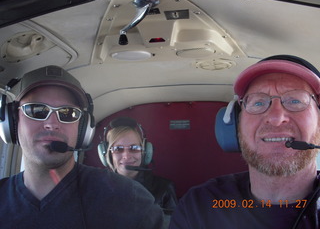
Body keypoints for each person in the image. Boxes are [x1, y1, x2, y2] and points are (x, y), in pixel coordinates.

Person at [0, 66, 164, 229]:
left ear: (83, 128)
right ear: (12, 121)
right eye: (36, 110)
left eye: (68, 113)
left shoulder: (130, 200)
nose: (51, 124)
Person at [169, 55, 320, 229]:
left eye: (295, 100)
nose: (275, 117)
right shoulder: (199, 207)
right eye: (258, 102)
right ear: (236, 125)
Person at [98, 117, 178, 227]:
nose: (126, 156)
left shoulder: (164, 189)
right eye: (118, 149)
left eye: (134, 148)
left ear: (145, 152)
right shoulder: (96, 188)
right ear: (107, 154)